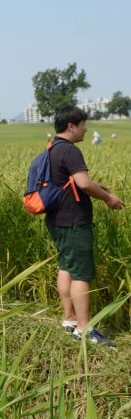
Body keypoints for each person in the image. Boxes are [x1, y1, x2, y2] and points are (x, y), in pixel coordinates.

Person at [46, 106, 124, 347]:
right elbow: (82, 183)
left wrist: (97, 185)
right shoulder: (70, 150)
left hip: (56, 219)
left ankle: (69, 320)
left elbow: (70, 181)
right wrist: (108, 198)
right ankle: (84, 328)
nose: (86, 128)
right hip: (73, 221)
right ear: (71, 126)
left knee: (66, 267)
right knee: (81, 272)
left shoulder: (51, 149)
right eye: (83, 124)